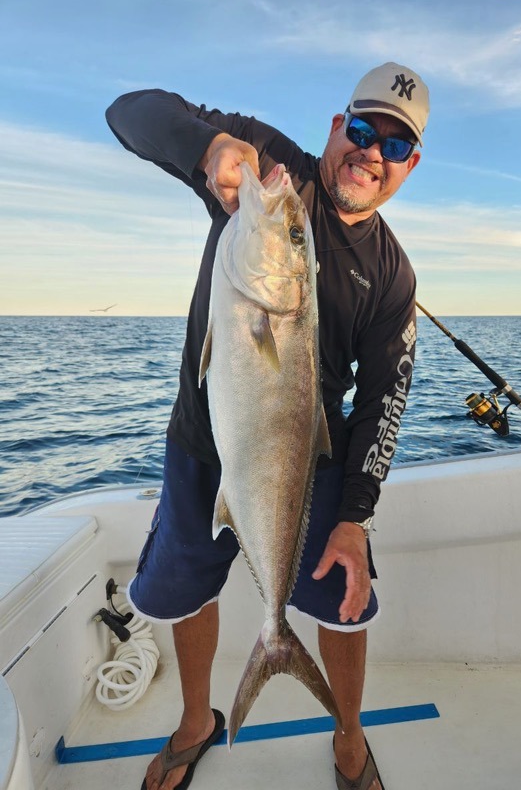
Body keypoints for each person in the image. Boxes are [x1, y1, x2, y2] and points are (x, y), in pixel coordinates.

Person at [106, 60, 429, 790]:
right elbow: (131, 108)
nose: (373, 153)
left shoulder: (393, 275)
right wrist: (207, 149)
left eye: (396, 145)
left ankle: (349, 737)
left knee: (345, 611)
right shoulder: (270, 173)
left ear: (411, 165)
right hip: (203, 442)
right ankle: (197, 721)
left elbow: (384, 402)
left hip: (305, 461)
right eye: (363, 128)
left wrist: (355, 518)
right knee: (182, 592)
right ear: (335, 126)